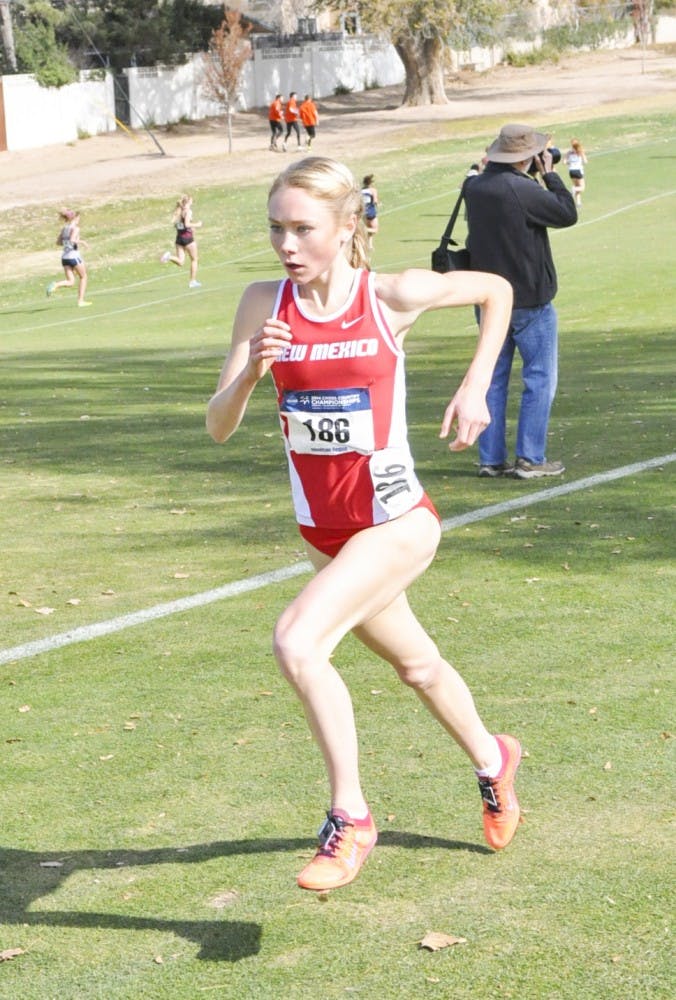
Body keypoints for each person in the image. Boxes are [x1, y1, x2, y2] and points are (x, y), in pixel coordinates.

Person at [206, 156, 521, 893]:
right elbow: (218, 426)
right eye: (276, 227)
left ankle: (350, 817)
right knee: (416, 666)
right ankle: (493, 759)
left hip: (397, 520)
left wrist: (476, 384)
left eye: (303, 228)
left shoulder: (390, 295)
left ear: (348, 227)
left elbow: (497, 289)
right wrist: (252, 370)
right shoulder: (263, 304)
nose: (287, 244)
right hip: (325, 534)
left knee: (297, 639)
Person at [463, 123, 577, 480]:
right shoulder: (520, 189)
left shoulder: (474, 187)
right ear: (527, 157)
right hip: (528, 297)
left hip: (487, 297)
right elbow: (566, 213)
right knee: (540, 379)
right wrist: (551, 176)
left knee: (492, 379)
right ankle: (529, 456)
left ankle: (490, 458)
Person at [46, 209, 91, 307]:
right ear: (75, 218)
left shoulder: (64, 228)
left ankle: (55, 285)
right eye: (78, 218)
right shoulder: (75, 228)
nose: (79, 220)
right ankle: (80, 301)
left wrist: (67, 242)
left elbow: (58, 242)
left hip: (65, 257)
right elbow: (72, 240)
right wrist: (82, 242)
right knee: (83, 277)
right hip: (73, 255)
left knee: (71, 282)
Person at [160, 194, 202, 288]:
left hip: (179, 239)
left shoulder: (179, 211)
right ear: (188, 201)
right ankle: (192, 281)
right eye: (191, 201)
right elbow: (187, 224)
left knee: (181, 262)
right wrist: (197, 225)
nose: (192, 202)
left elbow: (177, 225)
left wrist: (189, 227)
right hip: (187, 239)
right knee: (194, 259)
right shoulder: (188, 211)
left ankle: (169, 257)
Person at [564, 138, 588, 207]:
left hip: (571, 171)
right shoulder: (580, 152)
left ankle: (578, 202)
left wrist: (570, 162)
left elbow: (565, 162)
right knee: (582, 187)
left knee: (577, 186)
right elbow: (585, 161)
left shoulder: (569, 152)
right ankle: (573, 189)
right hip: (578, 171)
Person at [360, 174, 379, 250]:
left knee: (369, 229)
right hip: (371, 211)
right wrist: (378, 204)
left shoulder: (361, 190)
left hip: (363, 211)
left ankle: (369, 245)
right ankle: (360, 230)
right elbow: (375, 201)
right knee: (375, 230)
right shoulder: (373, 190)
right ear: (371, 183)